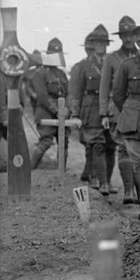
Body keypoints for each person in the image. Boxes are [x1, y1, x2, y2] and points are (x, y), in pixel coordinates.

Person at [113, 25, 140, 220]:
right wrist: (131, 110)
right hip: (132, 118)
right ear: (137, 44)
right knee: (138, 160)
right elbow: (118, 95)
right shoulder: (127, 66)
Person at [70, 24, 116, 195]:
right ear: (92, 44)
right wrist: (75, 113)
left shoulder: (113, 61)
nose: (99, 45)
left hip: (110, 106)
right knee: (97, 145)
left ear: (106, 44)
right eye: (96, 42)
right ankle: (101, 182)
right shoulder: (83, 66)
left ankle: (108, 181)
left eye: (102, 42)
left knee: (111, 145)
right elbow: (77, 92)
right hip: (91, 107)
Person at [100, 15, 139, 204]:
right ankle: (129, 190)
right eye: (125, 35)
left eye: (132, 34)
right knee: (123, 148)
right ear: (121, 37)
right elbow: (104, 86)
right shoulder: (112, 58)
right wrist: (103, 113)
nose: (129, 39)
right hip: (118, 109)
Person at [29, 38, 71, 170]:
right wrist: (57, 110)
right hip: (46, 112)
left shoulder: (62, 74)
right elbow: (42, 96)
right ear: (48, 56)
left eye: (58, 56)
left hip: (62, 112)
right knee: (46, 142)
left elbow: (68, 93)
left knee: (64, 143)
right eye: (53, 55)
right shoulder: (39, 74)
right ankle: (29, 171)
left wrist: (67, 109)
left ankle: (61, 174)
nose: (56, 58)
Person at [71, 33, 95, 184]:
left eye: (93, 48)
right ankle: (90, 172)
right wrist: (75, 113)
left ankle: (94, 174)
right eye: (89, 48)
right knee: (89, 143)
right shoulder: (80, 67)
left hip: (105, 108)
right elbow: (76, 92)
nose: (91, 51)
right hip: (88, 109)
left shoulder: (106, 63)